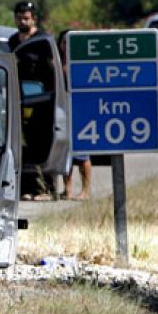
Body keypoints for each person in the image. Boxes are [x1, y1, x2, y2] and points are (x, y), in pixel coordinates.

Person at [9, 0, 57, 201]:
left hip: (41, 101)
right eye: (20, 17)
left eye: (26, 18)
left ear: (34, 19)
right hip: (18, 100)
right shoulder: (13, 41)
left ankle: (46, 188)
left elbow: (52, 68)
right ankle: (27, 188)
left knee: (42, 144)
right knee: (22, 146)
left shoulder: (43, 41)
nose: (23, 21)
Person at [57, 29, 92, 200]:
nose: (66, 46)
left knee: (82, 152)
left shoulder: (81, 63)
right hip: (63, 109)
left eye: (70, 42)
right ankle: (67, 189)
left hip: (80, 110)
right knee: (66, 152)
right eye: (64, 42)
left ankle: (86, 190)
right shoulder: (56, 63)